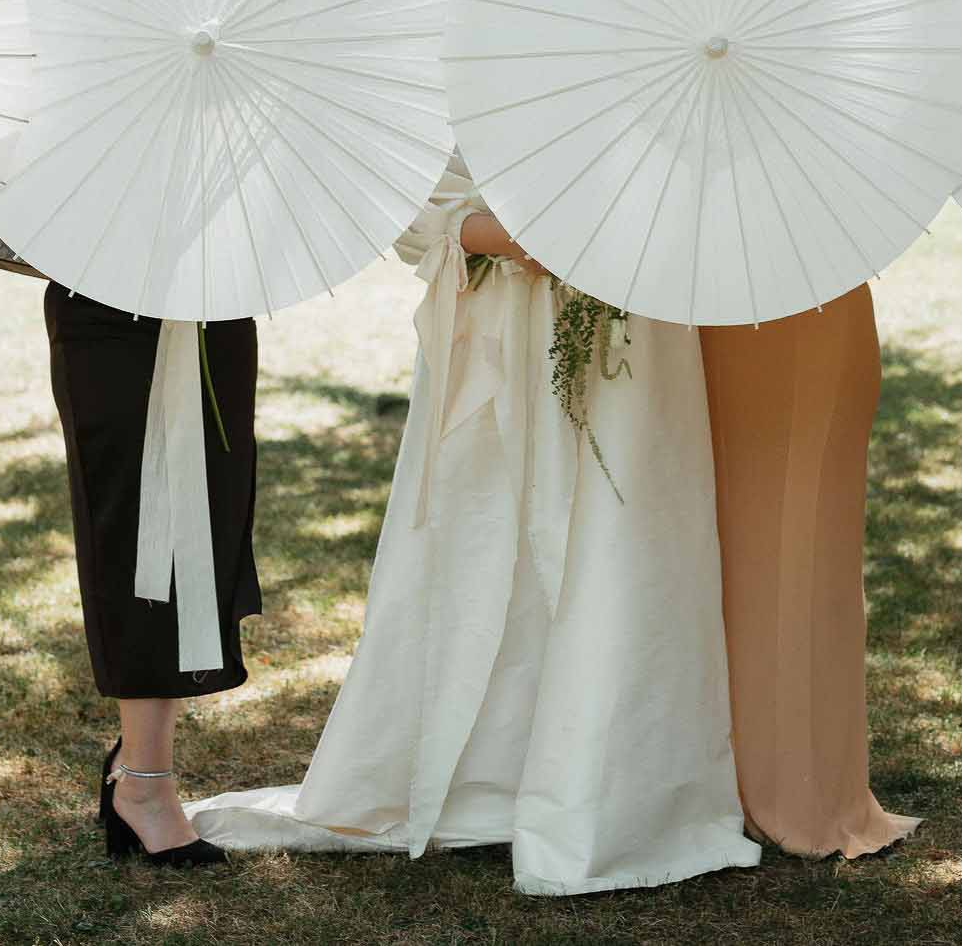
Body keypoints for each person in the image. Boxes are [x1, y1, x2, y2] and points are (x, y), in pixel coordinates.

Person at [185, 154, 758, 895]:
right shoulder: (468, 68)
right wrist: (515, 237)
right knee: (487, 543)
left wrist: (615, 233)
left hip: (631, 344)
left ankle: (606, 777)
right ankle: (488, 768)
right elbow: (415, 205)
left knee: (621, 547)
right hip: (493, 340)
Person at [41, 284, 258, 868]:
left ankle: (137, 767)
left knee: (207, 530)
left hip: (213, 309)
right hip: (108, 306)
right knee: (134, 540)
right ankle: (144, 783)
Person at [699, 288, 920, 858]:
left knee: (810, 553)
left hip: (816, 302)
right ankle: (714, 777)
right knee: (714, 553)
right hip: (703, 315)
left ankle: (802, 786)